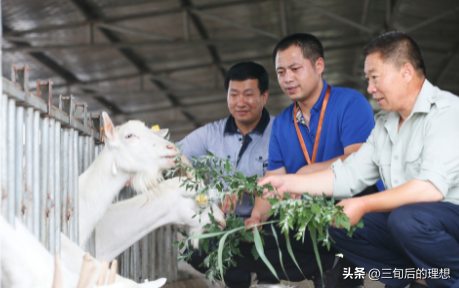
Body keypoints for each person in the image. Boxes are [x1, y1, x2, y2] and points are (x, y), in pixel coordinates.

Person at [258, 31, 459, 288]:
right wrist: (287, 183)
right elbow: (348, 174)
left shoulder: (447, 112)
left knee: (405, 219)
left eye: (375, 78)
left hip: (448, 217)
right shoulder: (385, 124)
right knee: (339, 224)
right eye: (368, 79)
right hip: (412, 224)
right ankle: (413, 278)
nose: (370, 88)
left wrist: (363, 204)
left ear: (406, 72)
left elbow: (429, 188)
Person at [236, 33, 383, 288]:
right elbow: (274, 181)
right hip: (310, 218)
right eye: (281, 72)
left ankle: (344, 266)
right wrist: (257, 216)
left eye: (295, 69)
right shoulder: (282, 123)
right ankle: (327, 265)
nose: (287, 78)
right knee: (252, 241)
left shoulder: (351, 103)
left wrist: (305, 172)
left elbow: (359, 159)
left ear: (319, 66)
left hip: (351, 212)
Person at [176, 61, 274, 287]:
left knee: (282, 245)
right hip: (224, 225)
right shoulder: (211, 134)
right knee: (196, 250)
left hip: (266, 225)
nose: (240, 102)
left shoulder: (281, 133)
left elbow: (288, 179)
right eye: (234, 94)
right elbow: (174, 153)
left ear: (264, 96)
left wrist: (246, 189)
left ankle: (262, 276)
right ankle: (239, 277)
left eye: (248, 94)